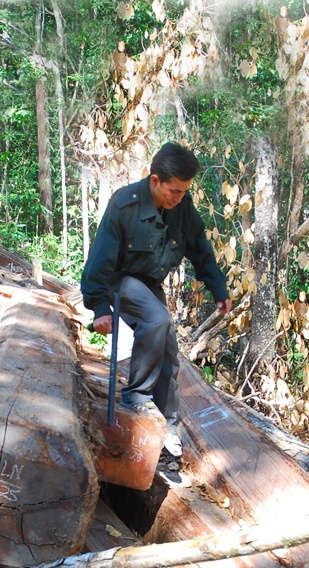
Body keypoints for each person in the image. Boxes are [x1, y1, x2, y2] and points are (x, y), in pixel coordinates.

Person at [81, 142, 232, 458]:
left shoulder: (182, 209)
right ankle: (136, 394)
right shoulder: (125, 206)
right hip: (118, 279)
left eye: (183, 192)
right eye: (173, 191)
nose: (178, 198)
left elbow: (200, 249)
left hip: (148, 283)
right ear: (155, 181)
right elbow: (98, 261)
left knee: (168, 344)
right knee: (157, 319)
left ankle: (167, 424)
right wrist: (99, 307)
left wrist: (219, 289)